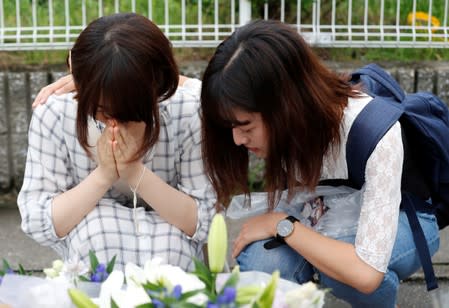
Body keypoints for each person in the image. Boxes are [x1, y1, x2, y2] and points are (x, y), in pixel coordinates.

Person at [200, 19, 440, 307]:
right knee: (263, 260)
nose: (237, 139)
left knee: (344, 273)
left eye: (246, 125)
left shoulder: (375, 134)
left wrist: (281, 224)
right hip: (323, 215)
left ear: (285, 104)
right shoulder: (287, 126)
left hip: (405, 218)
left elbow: (365, 274)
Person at [18, 13, 216, 272]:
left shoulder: (187, 112)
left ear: (156, 89)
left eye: (130, 112)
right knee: (98, 231)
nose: (114, 122)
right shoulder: (55, 114)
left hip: (174, 281)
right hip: (95, 277)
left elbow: (205, 221)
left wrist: (134, 172)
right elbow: (38, 220)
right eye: (100, 109)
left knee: (171, 243)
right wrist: (104, 175)